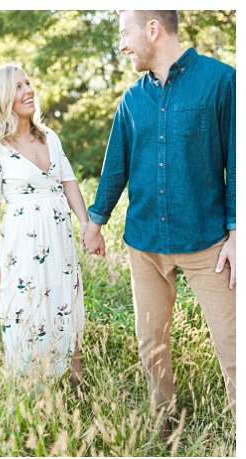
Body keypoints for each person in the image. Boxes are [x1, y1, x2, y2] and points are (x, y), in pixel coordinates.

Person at [83, 10, 236, 427]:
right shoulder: (132, 100)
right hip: (145, 243)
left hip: (209, 244)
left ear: (153, 29)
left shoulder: (223, 82)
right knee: (151, 344)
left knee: (234, 345)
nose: (122, 44)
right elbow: (116, 165)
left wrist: (237, 232)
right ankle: (164, 424)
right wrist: (95, 223)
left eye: (124, 33)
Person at [0, 64, 89, 384]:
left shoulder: (49, 136)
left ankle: (77, 387)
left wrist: (85, 224)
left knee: (67, 305)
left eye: (28, 83)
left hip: (60, 237)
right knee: (28, 308)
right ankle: (33, 390)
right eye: (18, 87)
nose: (28, 90)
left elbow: (68, 181)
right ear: (2, 98)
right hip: (23, 241)